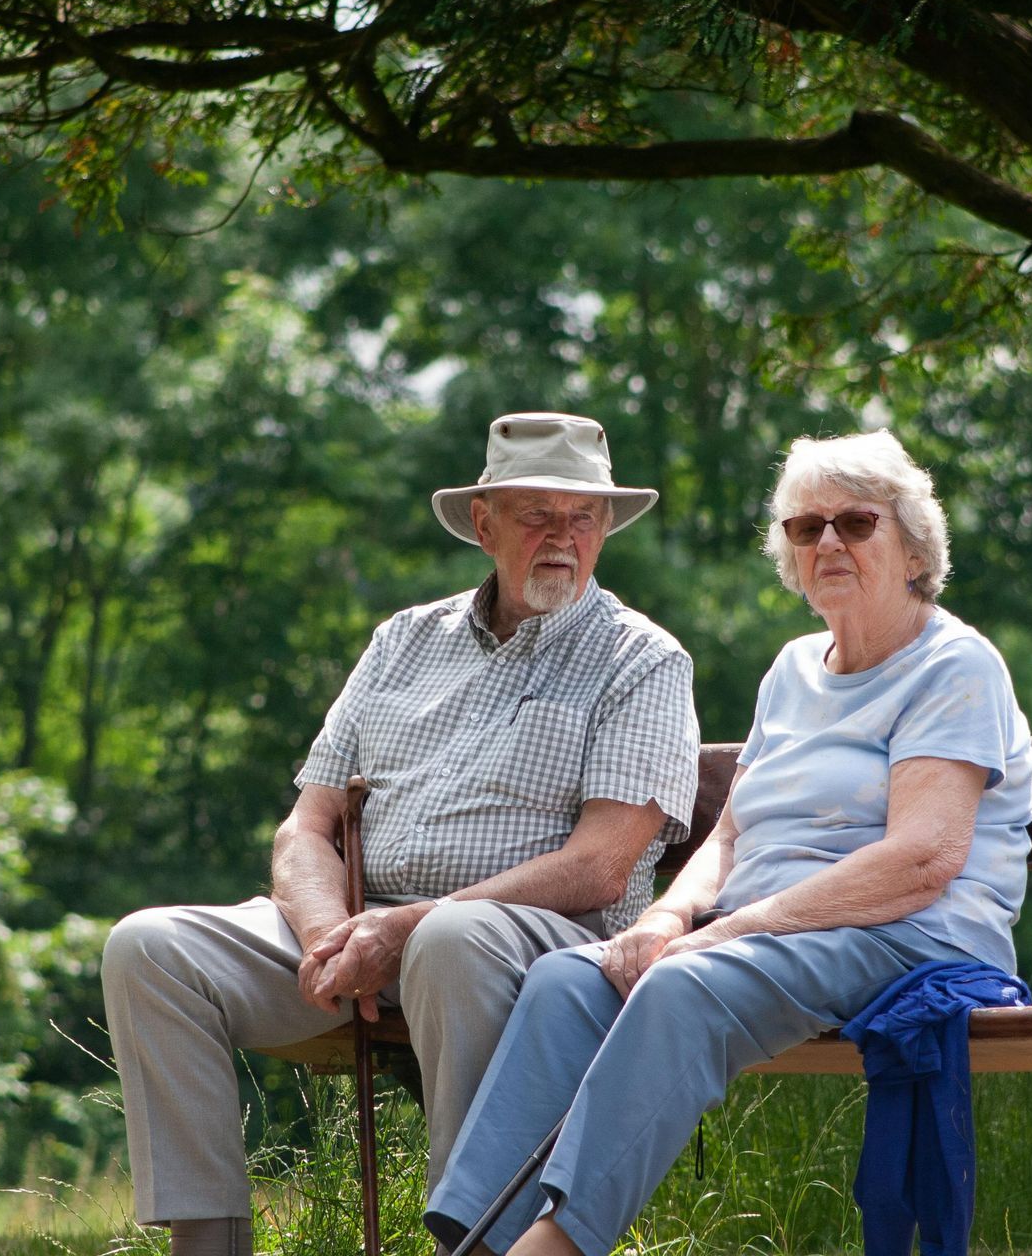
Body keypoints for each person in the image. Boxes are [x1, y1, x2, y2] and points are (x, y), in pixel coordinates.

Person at [424, 430, 1032, 1256]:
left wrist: (727, 934)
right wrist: (666, 922)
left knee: (683, 990)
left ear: (913, 544)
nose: (827, 542)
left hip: (906, 936)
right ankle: (476, 1239)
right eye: (804, 526)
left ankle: (556, 1246)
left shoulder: (954, 664)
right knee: (569, 980)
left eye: (855, 523)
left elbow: (920, 861)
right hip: (769, 936)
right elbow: (731, 832)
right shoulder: (792, 669)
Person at [102, 413, 700, 1256]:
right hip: (363, 931)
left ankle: (477, 1242)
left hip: (535, 940)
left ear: (605, 528)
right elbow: (308, 825)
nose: (563, 537)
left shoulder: (640, 660)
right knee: (151, 948)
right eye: (538, 514)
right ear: (485, 525)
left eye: (584, 516)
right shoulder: (402, 641)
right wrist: (327, 939)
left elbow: (602, 867)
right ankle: (209, 1246)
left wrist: (406, 927)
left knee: (453, 937)